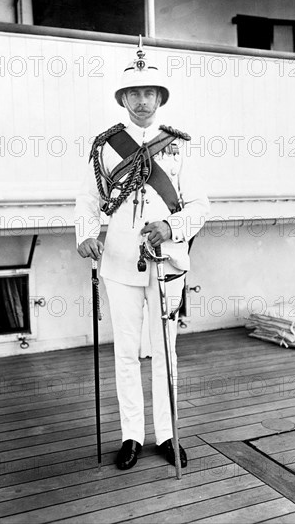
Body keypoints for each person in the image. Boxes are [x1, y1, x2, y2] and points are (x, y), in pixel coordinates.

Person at [75, 40, 210, 471]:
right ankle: (132, 435)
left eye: (149, 92)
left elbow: (201, 206)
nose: (141, 100)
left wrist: (172, 227)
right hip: (117, 263)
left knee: (165, 351)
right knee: (127, 352)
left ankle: (168, 434)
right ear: (123, 99)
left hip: (167, 261)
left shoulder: (178, 146)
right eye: (133, 93)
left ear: (159, 98)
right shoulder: (105, 146)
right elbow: (86, 201)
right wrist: (84, 236)